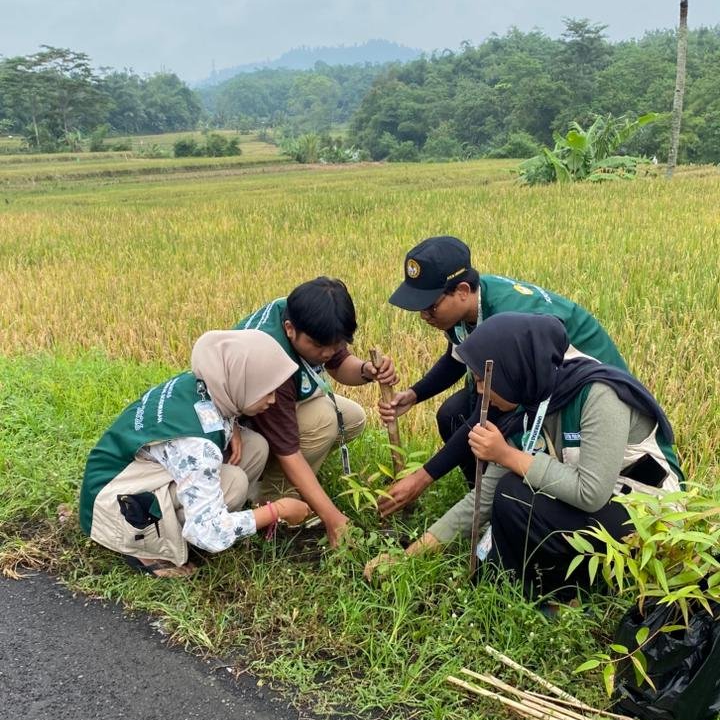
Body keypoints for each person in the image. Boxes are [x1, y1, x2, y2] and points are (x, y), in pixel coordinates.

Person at [366, 313, 682, 600]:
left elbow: (591, 492)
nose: (479, 391)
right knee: (507, 495)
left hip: (646, 518)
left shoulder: (599, 395)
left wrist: (507, 455)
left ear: (513, 371)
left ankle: (576, 593)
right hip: (597, 512)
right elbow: (483, 497)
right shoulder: (527, 406)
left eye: (483, 380)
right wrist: (409, 555)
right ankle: (532, 589)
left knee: (515, 492)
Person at [378, 236, 629, 516]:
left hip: (586, 401)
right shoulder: (468, 307)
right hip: (538, 389)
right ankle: (481, 502)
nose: (424, 315)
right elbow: (457, 356)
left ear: (462, 291)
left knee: (487, 429)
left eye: (430, 306)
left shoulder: (510, 320)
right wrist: (414, 395)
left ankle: (506, 504)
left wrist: (423, 478)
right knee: (453, 415)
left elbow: (493, 412)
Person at [79, 330, 312, 577]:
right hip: (111, 506)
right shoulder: (197, 447)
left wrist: (231, 424)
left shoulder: (205, 383)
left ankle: (210, 519)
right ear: (241, 384)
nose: (273, 400)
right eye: (267, 391)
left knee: (254, 446)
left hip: (124, 475)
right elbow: (209, 532)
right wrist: (277, 510)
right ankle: (147, 549)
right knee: (233, 484)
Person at [234, 277, 397, 547]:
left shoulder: (308, 318)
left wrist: (367, 371)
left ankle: (290, 484)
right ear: (290, 329)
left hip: (273, 410)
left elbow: (339, 363)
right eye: (319, 346)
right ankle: (271, 500)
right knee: (323, 420)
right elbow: (289, 452)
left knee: (351, 417)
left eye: (335, 344)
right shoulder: (270, 361)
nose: (327, 353)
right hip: (240, 434)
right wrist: (334, 519)